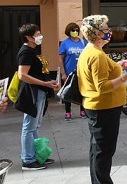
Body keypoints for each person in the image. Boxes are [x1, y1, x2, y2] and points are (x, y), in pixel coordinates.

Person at [78, 15, 127, 184]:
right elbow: (102, 86)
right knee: (103, 150)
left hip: (99, 107)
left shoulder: (93, 51)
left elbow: (102, 74)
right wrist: (126, 75)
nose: (109, 30)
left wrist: (118, 66)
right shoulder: (96, 55)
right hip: (103, 107)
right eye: (105, 28)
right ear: (97, 33)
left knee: (98, 149)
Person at [17, 24, 59, 171]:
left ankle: (37, 155)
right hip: (32, 93)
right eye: (38, 34)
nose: (40, 36)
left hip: (39, 91)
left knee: (34, 125)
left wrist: (48, 82)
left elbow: (37, 71)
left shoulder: (33, 50)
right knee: (29, 127)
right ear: (29, 37)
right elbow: (22, 75)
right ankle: (28, 159)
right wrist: (44, 83)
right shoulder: (26, 52)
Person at [58, 22, 87, 121]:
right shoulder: (64, 43)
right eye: (73, 30)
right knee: (68, 92)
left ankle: (83, 110)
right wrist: (63, 73)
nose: (75, 32)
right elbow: (61, 59)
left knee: (82, 91)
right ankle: (68, 111)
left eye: (76, 30)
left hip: (82, 71)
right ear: (68, 31)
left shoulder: (83, 42)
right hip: (69, 72)